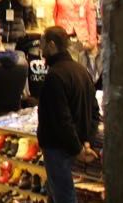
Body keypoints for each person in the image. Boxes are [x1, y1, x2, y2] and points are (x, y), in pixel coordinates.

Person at [37, 27, 101, 203]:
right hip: (74, 144)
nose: (40, 49)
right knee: (59, 193)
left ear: (51, 45)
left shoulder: (55, 76)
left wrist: (78, 149)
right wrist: (86, 140)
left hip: (59, 147)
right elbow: (94, 111)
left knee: (64, 196)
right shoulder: (81, 71)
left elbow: (61, 119)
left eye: (42, 44)